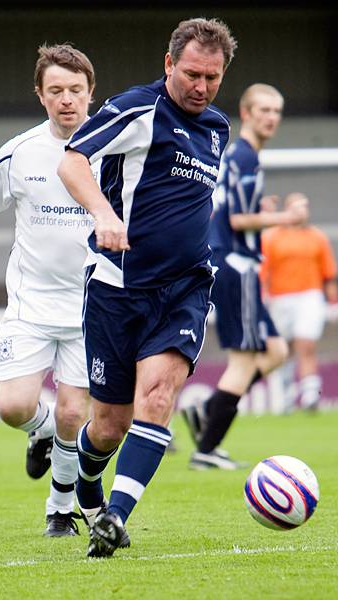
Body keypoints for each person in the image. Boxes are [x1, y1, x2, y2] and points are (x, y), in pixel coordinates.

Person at [57, 17, 238, 557]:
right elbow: (72, 161)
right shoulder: (138, 108)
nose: (201, 87)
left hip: (184, 290)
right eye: (191, 74)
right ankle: (88, 482)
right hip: (117, 289)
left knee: (157, 398)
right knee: (108, 427)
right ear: (168, 65)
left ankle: (114, 516)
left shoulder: (218, 129)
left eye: (212, 77)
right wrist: (103, 214)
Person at [0, 43, 97, 538]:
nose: (67, 99)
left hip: (92, 306)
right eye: (56, 90)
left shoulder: (113, 149)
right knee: (13, 408)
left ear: (91, 92)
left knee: (76, 411)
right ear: (40, 95)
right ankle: (41, 429)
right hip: (30, 306)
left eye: (76, 90)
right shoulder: (20, 150)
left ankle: (59, 509)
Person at [182, 83, 308, 470]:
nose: (271, 117)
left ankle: (210, 409)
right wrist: (285, 218)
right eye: (264, 110)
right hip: (237, 264)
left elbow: (233, 211)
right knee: (245, 359)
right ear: (246, 111)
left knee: (276, 352)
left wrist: (262, 211)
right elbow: (237, 219)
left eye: (277, 111)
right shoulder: (245, 156)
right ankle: (206, 448)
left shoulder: (239, 156)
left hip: (233, 261)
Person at [261, 192, 338, 411]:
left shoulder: (317, 237)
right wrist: (263, 298)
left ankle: (310, 394)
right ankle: (284, 394)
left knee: (306, 344)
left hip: (309, 296)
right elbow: (264, 272)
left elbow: (328, 273)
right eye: (297, 207)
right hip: (280, 298)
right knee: (283, 350)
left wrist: (332, 299)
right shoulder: (272, 237)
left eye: (305, 207)